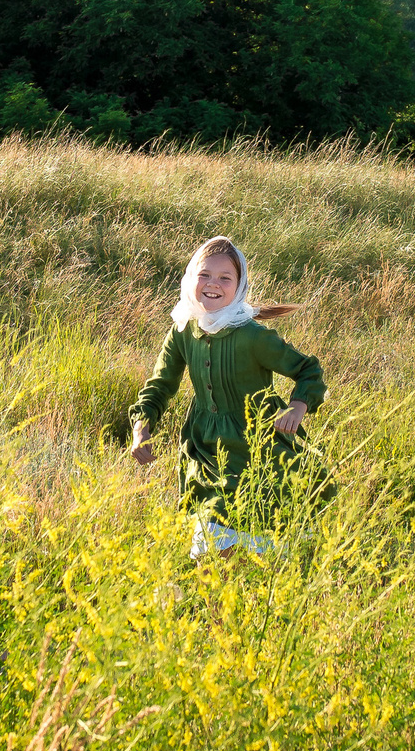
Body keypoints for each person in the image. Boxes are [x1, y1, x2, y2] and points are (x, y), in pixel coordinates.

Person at [128, 236, 326, 556]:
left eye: (225, 278)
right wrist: (142, 428)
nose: (213, 284)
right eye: (204, 274)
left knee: (265, 556)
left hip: (261, 451)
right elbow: (160, 385)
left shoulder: (252, 336)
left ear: (240, 285)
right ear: (190, 277)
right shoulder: (182, 330)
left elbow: (308, 370)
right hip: (208, 452)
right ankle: (214, 605)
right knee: (210, 554)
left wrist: (297, 407)